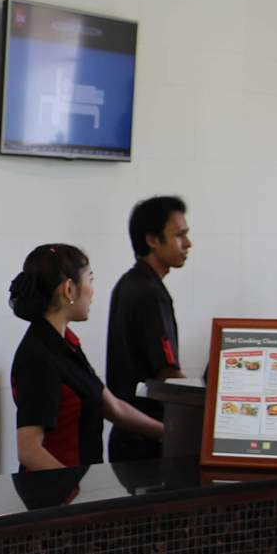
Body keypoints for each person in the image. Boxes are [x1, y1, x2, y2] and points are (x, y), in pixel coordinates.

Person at [9, 243, 163, 470]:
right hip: (58, 490)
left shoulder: (66, 343)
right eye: (90, 279)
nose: (93, 291)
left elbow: (114, 407)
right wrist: (72, 487)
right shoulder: (38, 357)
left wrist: (168, 433)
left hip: (83, 484)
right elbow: (29, 450)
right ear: (69, 289)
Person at [106, 196, 191, 461]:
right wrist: (211, 405)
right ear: (153, 239)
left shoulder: (128, 282)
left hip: (129, 432)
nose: (188, 243)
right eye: (179, 235)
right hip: (147, 436)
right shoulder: (150, 293)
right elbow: (166, 373)